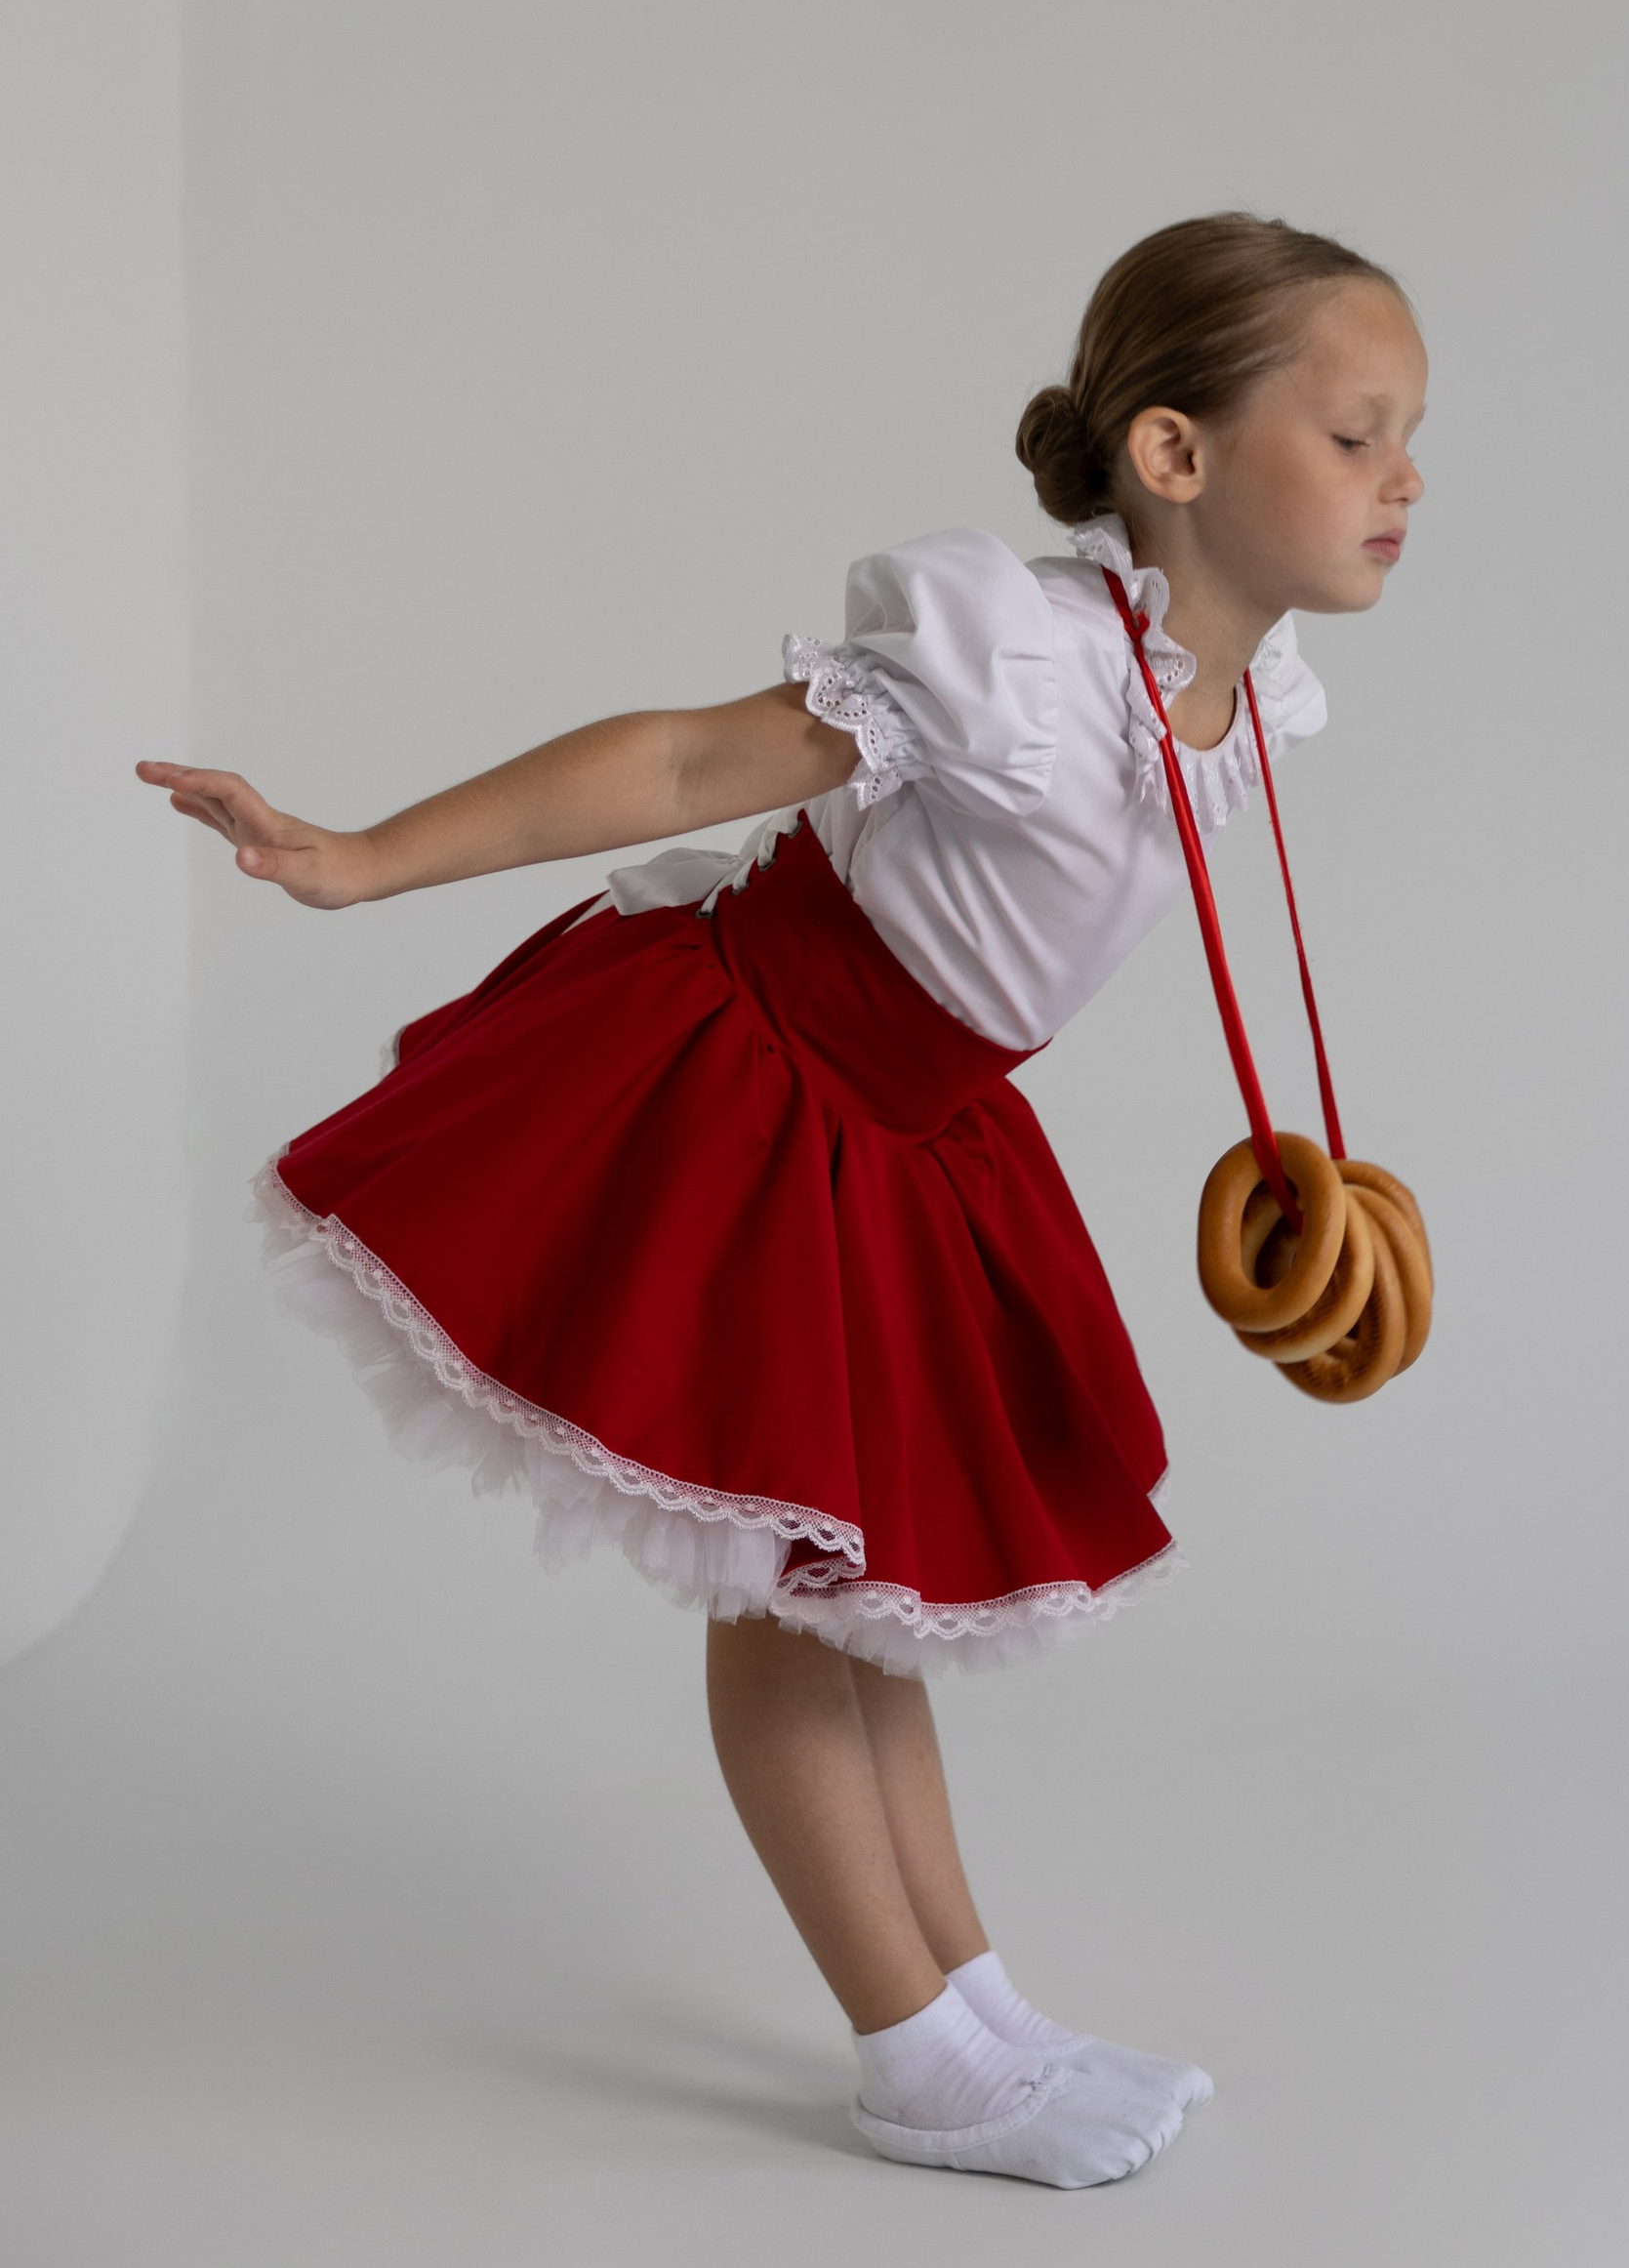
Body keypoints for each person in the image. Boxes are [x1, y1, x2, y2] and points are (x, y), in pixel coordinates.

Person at [140, 214, 1427, 2189]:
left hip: (916, 1124)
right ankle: (909, 2043)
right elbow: (678, 753)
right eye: (1354, 432)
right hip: (765, 1085)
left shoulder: (1232, 703)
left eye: (1407, 435)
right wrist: (360, 855)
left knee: (875, 1603)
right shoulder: (1008, 654)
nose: (1401, 476)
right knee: (792, 1588)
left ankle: (971, 1996)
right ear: (1174, 458)